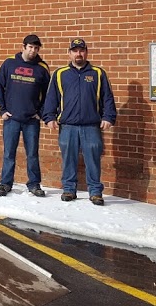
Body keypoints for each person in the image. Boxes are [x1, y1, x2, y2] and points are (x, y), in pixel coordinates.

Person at [40, 38, 117, 205]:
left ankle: (95, 192)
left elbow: (107, 97)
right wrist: (49, 117)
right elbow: (51, 97)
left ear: (86, 52)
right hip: (68, 126)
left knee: (93, 160)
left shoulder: (98, 73)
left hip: (91, 126)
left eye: (81, 50)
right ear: (69, 53)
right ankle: (69, 189)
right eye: (75, 51)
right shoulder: (60, 74)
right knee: (68, 159)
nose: (78, 54)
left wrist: (108, 117)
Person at [0, 34, 51, 197]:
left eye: (36, 48)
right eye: (30, 47)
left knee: (32, 154)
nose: (33, 50)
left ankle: (34, 184)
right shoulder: (9, 63)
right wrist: (2, 110)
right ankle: (5, 184)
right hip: (11, 119)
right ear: (23, 47)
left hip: (31, 120)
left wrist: (40, 113)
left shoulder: (42, 68)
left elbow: (49, 95)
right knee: (9, 153)